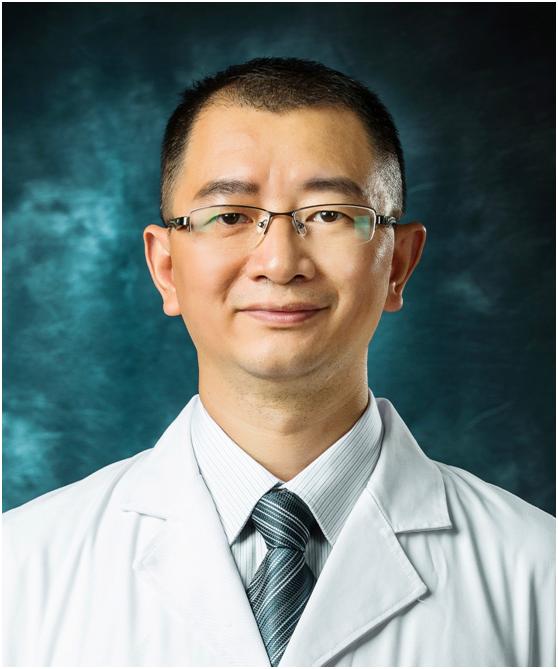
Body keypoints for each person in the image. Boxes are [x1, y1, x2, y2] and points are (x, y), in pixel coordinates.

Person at [3, 57, 554, 667]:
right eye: (230, 217)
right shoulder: (21, 570)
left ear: (397, 264)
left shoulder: (539, 573)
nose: (280, 262)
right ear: (166, 268)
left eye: (329, 215)